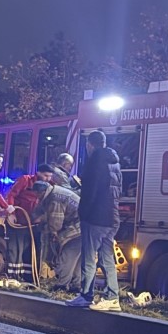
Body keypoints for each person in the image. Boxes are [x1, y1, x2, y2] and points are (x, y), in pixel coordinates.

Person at [69, 130, 122, 309]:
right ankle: (113, 297)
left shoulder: (94, 161)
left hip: (95, 217)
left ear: (90, 144)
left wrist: (84, 212)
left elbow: (91, 191)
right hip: (112, 216)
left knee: (89, 257)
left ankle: (86, 295)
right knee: (107, 257)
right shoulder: (114, 162)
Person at [33, 175, 83, 290]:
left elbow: (56, 220)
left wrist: (54, 232)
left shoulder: (54, 198)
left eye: (37, 195)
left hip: (77, 228)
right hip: (84, 227)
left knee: (67, 255)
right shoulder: (55, 192)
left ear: (42, 192)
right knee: (77, 259)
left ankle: (62, 285)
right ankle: (77, 285)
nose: (37, 198)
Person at [3, 166, 51, 282]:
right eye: (45, 175)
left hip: (33, 225)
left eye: (50, 176)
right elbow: (11, 195)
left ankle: (29, 279)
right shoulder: (25, 180)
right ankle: (13, 278)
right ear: (38, 173)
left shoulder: (49, 186)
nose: (48, 179)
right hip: (18, 222)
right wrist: (11, 213)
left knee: (30, 251)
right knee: (15, 250)